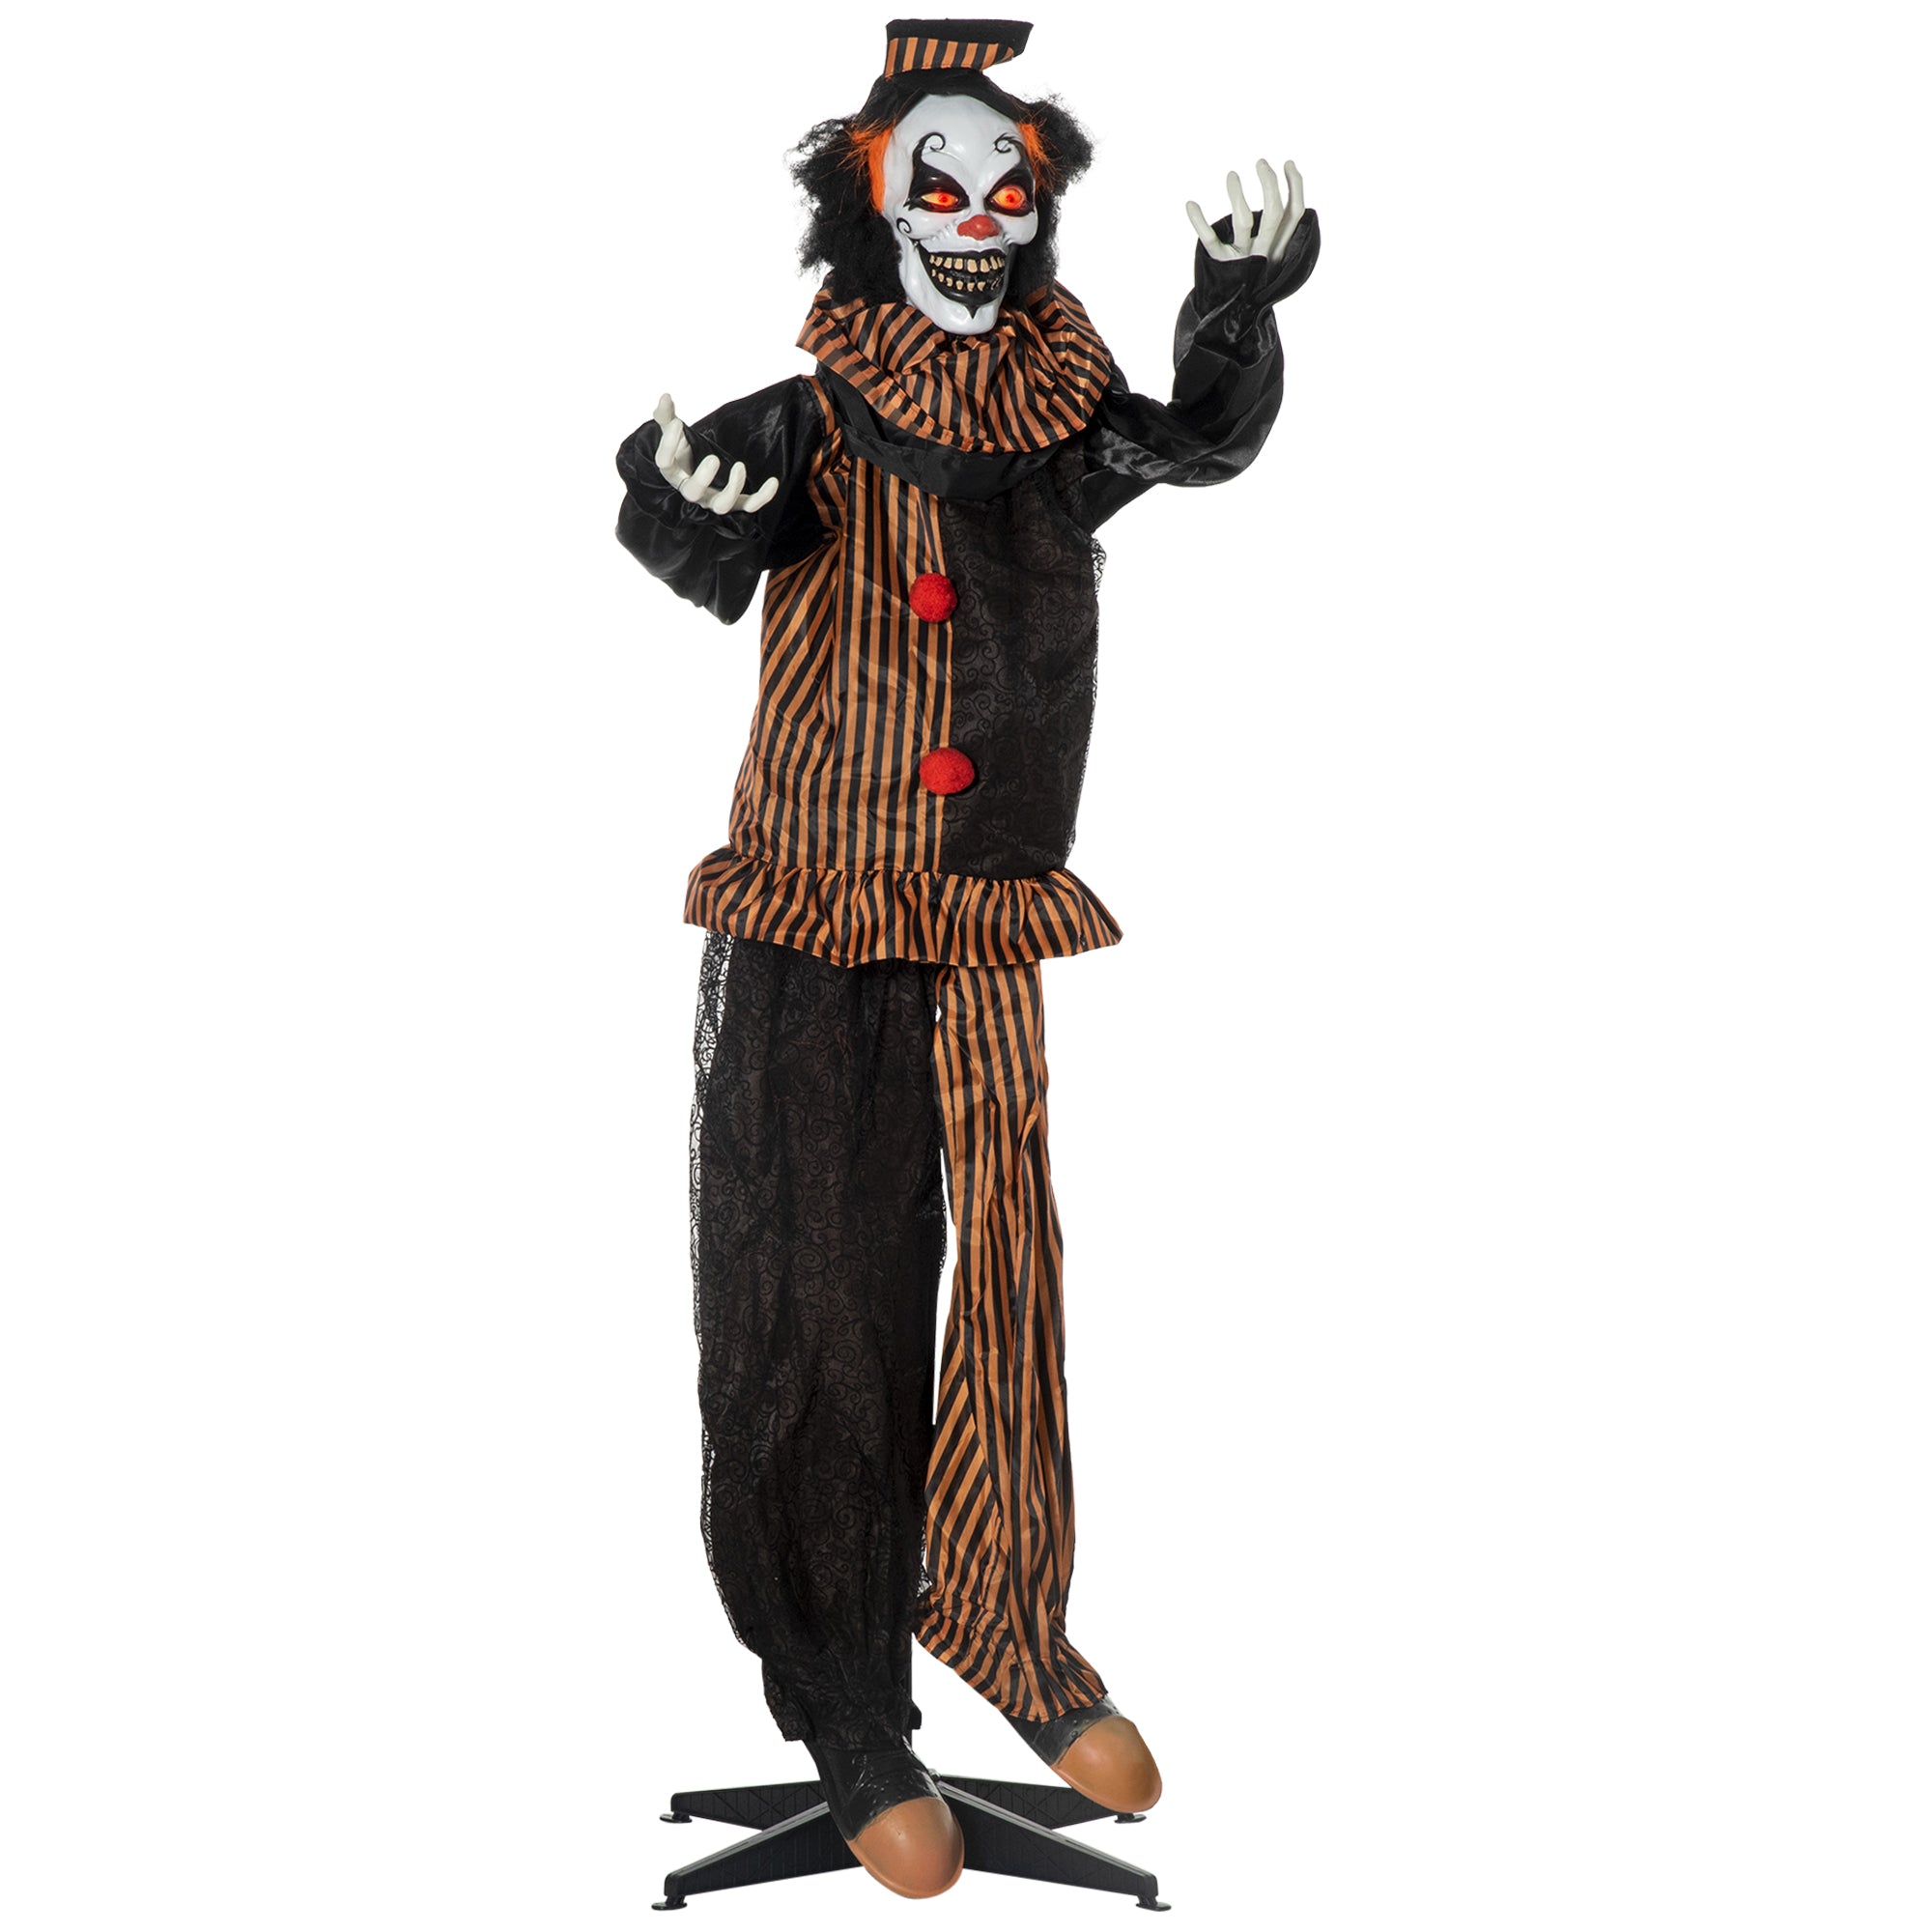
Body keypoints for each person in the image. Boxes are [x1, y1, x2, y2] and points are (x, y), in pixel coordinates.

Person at [614, 17, 1319, 1900]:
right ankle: (844, 1698)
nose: (982, 211)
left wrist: (1233, 313)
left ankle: (1003, 1613)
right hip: (820, 907)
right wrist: (687, 506)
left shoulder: (1054, 415)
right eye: (940, 179)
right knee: (817, 1298)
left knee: (1007, 1271)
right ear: (872, 202)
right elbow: (694, 526)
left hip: (990, 904)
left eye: (1012, 182)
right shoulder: (820, 408)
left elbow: (1196, 441)